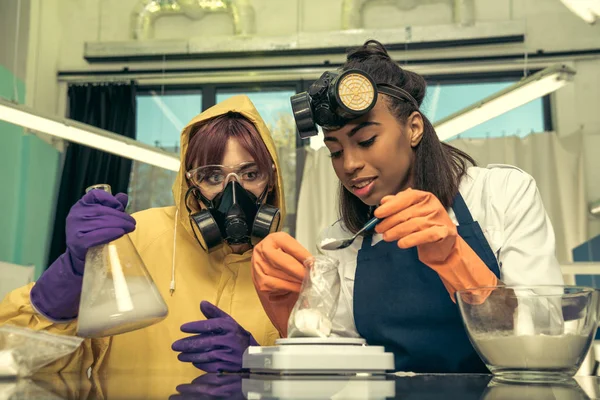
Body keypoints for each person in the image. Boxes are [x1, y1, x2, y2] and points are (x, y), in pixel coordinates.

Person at [251, 40, 564, 373]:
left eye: (366, 140)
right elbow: (341, 372)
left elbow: (545, 342)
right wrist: (291, 310)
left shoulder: (500, 195)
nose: (350, 164)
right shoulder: (342, 240)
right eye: (336, 151)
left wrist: (458, 261)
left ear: (413, 128)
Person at [0, 95, 285, 380]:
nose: (233, 194)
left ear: (271, 177)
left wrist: (259, 377)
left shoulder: (288, 270)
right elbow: (24, 364)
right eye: (212, 177)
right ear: (190, 183)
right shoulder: (133, 239)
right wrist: (70, 274)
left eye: (250, 173)